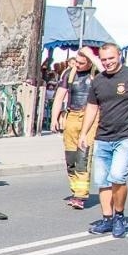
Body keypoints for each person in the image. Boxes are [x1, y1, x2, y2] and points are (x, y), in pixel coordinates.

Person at [79, 43, 128, 239]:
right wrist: (84, 133)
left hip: (126, 136)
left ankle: (119, 216)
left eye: (111, 58)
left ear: (119, 55)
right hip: (103, 137)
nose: (107, 63)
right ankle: (107, 219)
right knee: (102, 182)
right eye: (103, 60)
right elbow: (92, 108)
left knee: (118, 177)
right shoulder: (98, 81)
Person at [50, 46, 99, 209]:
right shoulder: (68, 73)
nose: (77, 65)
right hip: (71, 115)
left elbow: (106, 70)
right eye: (76, 61)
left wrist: (91, 55)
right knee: (70, 157)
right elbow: (59, 97)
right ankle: (75, 189)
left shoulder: (96, 73)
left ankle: (80, 195)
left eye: (82, 63)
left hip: (89, 117)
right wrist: (54, 118)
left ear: (90, 63)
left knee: (83, 156)